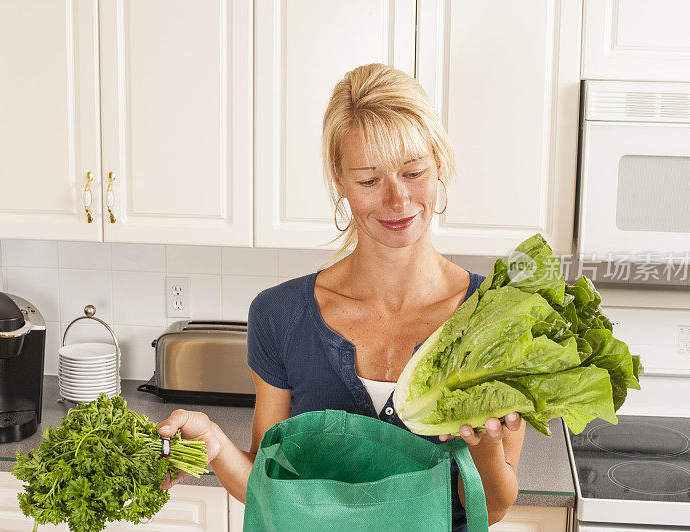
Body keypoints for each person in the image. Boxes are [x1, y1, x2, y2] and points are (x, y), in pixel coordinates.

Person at [158, 63, 525, 528]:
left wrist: (486, 442)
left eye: (413, 172)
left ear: (440, 164)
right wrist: (213, 443)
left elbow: (493, 508)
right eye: (369, 180)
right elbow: (270, 489)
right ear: (340, 181)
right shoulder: (281, 316)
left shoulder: (493, 316)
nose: (397, 200)